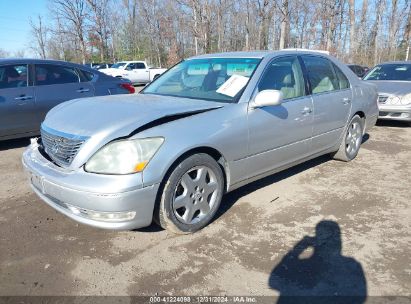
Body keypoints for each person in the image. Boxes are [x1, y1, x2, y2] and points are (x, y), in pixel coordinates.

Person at [269, 220, 367, 304]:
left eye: (330, 238)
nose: (327, 243)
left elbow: (360, 296)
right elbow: (274, 281)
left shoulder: (350, 266)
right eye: (322, 238)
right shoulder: (304, 266)